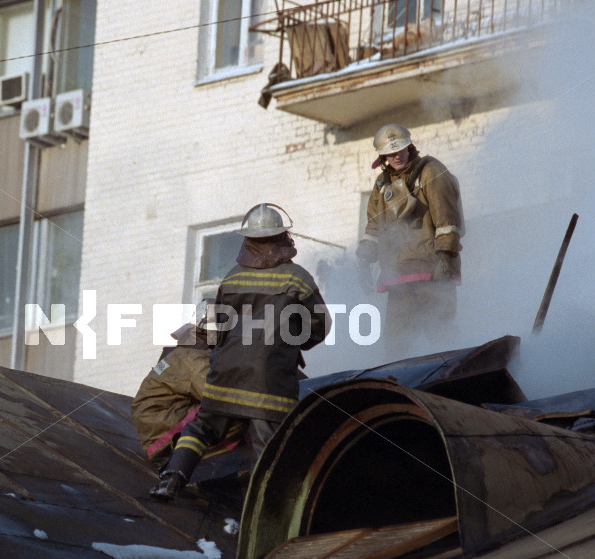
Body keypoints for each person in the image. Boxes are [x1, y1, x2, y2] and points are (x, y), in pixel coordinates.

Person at [150, 204, 331, 500]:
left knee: (202, 428)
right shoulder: (298, 278)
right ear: (283, 236)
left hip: (225, 374)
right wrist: (292, 341)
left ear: (247, 240)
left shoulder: (233, 277)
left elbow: (217, 329)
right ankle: (258, 509)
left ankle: (171, 478)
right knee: (267, 447)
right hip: (270, 381)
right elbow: (321, 326)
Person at [356, 123, 465, 360]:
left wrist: (445, 258)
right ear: (382, 155)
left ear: (410, 146)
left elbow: (447, 219)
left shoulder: (431, 172)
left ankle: (451, 387)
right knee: (396, 345)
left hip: (433, 272)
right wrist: (364, 260)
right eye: (391, 152)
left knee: (441, 337)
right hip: (399, 278)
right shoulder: (381, 185)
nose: (397, 155)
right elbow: (374, 227)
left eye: (401, 149)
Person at [130, 299, 245, 465]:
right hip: (164, 434)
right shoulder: (194, 358)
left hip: (157, 429)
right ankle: (212, 466)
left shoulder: (183, 352)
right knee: (234, 414)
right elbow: (219, 393)